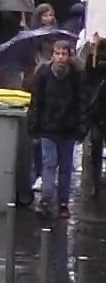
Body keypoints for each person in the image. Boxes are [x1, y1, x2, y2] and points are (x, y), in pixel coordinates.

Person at [27, 41, 88, 219]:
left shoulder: (76, 76)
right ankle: (46, 200)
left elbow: (81, 102)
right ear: (52, 55)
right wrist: (34, 129)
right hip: (48, 128)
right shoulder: (43, 74)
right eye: (57, 53)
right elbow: (36, 103)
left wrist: (81, 127)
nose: (60, 57)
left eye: (64, 54)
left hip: (68, 129)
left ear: (69, 56)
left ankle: (63, 202)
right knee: (49, 163)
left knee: (65, 168)